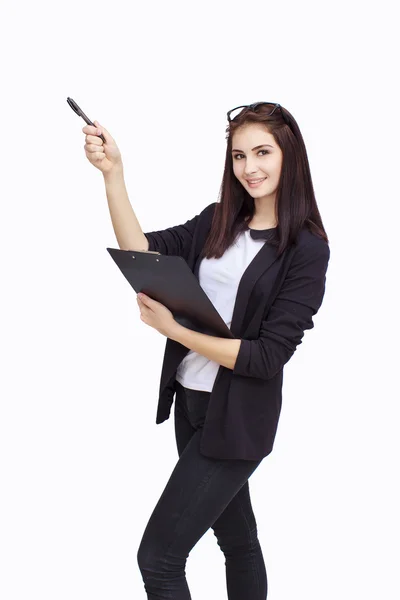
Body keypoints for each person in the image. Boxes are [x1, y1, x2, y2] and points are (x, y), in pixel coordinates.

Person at [82, 102, 330, 599]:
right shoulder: (218, 220)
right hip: (192, 405)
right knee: (237, 540)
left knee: (158, 559)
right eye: (239, 156)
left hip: (239, 418)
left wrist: (175, 331)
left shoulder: (306, 248)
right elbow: (143, 252)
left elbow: (266, 357)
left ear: (290, 156)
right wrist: (113, 175)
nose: (249, 168)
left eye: (262, 152)